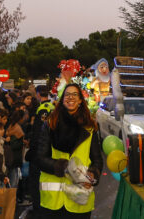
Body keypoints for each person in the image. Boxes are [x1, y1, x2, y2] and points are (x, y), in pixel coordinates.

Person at [36, 84, 102, 218]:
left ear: (80, 101)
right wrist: (65, 168)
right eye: (67, 94)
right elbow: (40, 158)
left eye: (75, 94)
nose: (70, 97)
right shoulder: (50, 124)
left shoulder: (90, 127)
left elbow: (97, 160)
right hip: (54, 201)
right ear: (62, 99)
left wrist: (92, 175)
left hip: (79, 198)